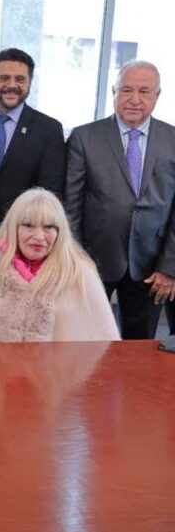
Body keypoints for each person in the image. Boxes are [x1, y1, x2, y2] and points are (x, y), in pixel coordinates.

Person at [65, 60, 175, 339]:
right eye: (126, 90)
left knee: (140, 348)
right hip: (93, 262)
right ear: (114, 91)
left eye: (144, 91)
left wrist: (168, 267)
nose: (134, 100)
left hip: (151, 266)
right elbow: (71, 205)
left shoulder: (173, 139)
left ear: (157, 96)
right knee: (84, 344)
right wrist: (76, 259)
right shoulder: (84, 137)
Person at [0, 189, 119, 342]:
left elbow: (107, 341)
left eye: (49, 227)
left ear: (60, 232)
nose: (39, 237)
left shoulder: (80, 272)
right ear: (13, 227)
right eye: (28, 225)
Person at [0, 48, 65, 226]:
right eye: (4, 78)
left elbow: (49, 193)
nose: (12, 85)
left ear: (30, 82)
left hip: (19, 233)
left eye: (20, 79)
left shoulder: (48, 129)